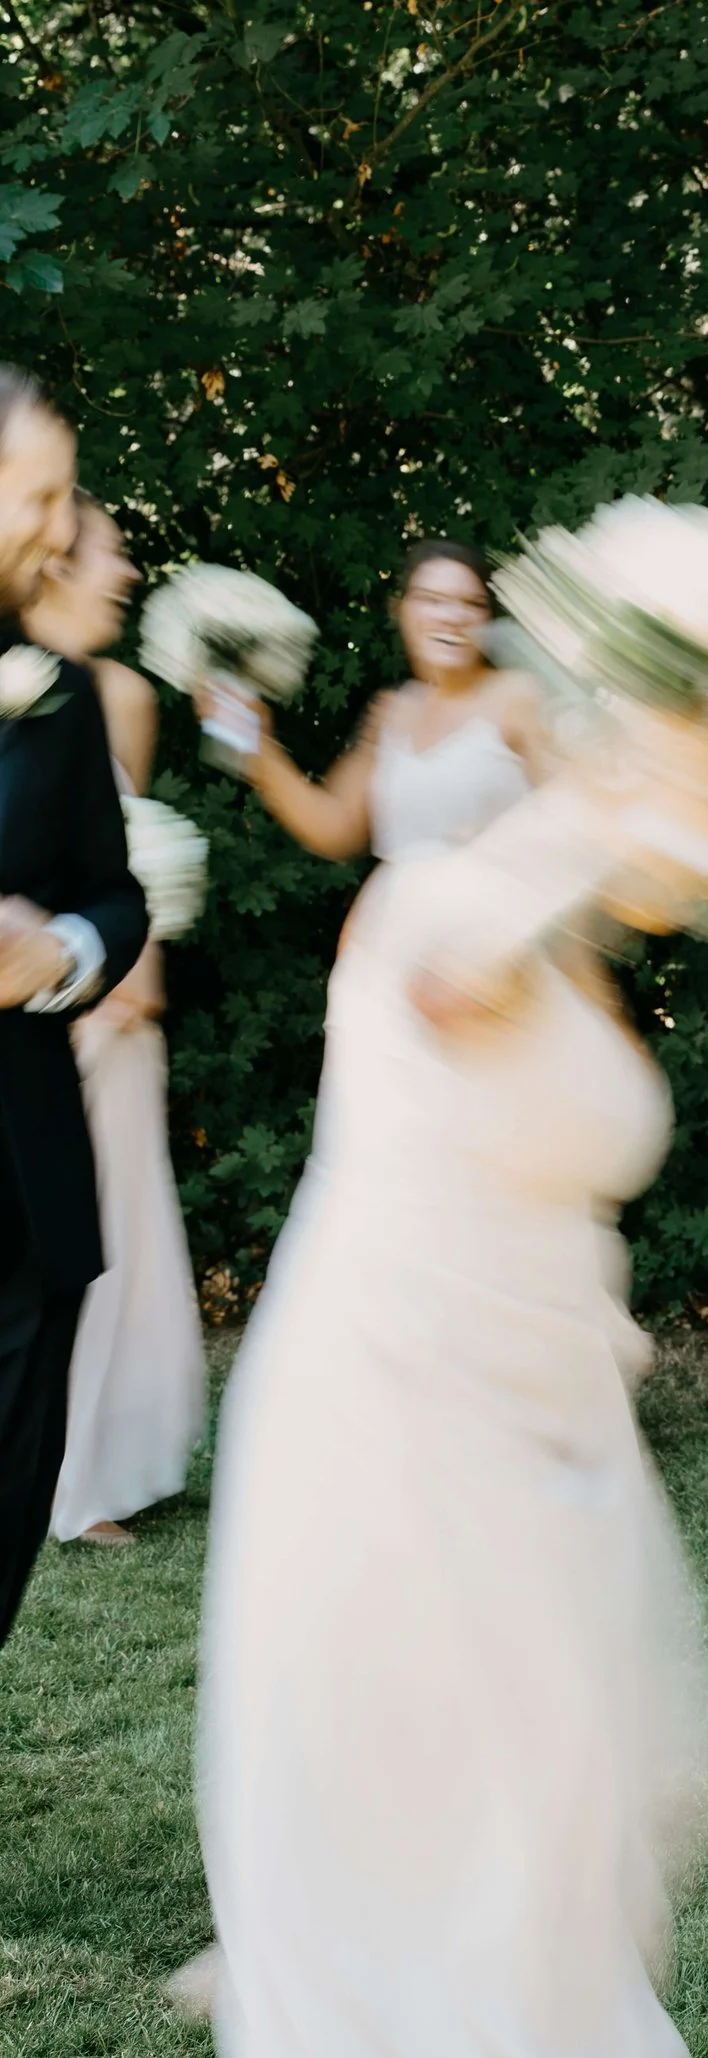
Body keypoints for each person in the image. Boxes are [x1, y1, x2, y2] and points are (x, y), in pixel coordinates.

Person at [194, 691, 708, 2058]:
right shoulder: (453, 903)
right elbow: (447, 983)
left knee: (573, 1782)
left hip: (546, 1406)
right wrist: (597, 834)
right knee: (470, 1783)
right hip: (412, 1408)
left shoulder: (578, 939)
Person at [23, 496, 208, 1547]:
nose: (130, 568)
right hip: (34, 1002)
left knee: (121, 1233)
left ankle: (97, 1465)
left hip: (120, 1007)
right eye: (112, 550)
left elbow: (124, 855)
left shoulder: (125, 696)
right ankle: (48, 1464)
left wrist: (140, 966)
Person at [0, 369, 149, 1647]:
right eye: (39, 492)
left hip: (22, 1194)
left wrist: (56, 950)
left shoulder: (59, 693)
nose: (61, 524)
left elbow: (117, 896)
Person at [218, 539, 545, 868]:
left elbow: (580, 811)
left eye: (472, 604)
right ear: (399, 609)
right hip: (409, 915)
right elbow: (336, 829)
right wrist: (255, 744)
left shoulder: (518, 697)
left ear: (489, 617)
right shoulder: (393, 710)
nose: (453, 617)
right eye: (432, 600)